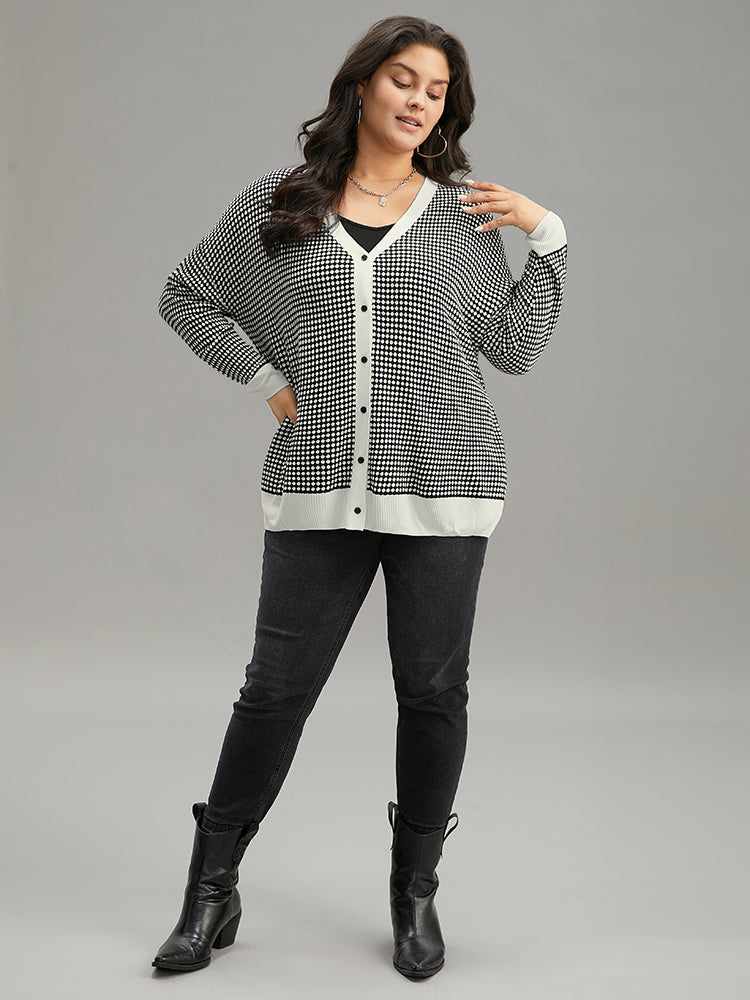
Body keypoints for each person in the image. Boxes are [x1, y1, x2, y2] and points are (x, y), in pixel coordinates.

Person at [151, 14, 567, 982]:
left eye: (437, 91)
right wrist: (267, 379)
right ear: (362, 85)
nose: (419, 101)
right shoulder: (283, 200)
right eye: (404, 80)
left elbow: (513, 349)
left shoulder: (464, 214)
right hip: (316, 484)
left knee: (433, 693)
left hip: (445, 485)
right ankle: (210, 890)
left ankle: (414, 892)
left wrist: (546, 238)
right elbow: (186, 295)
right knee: (274, 692)